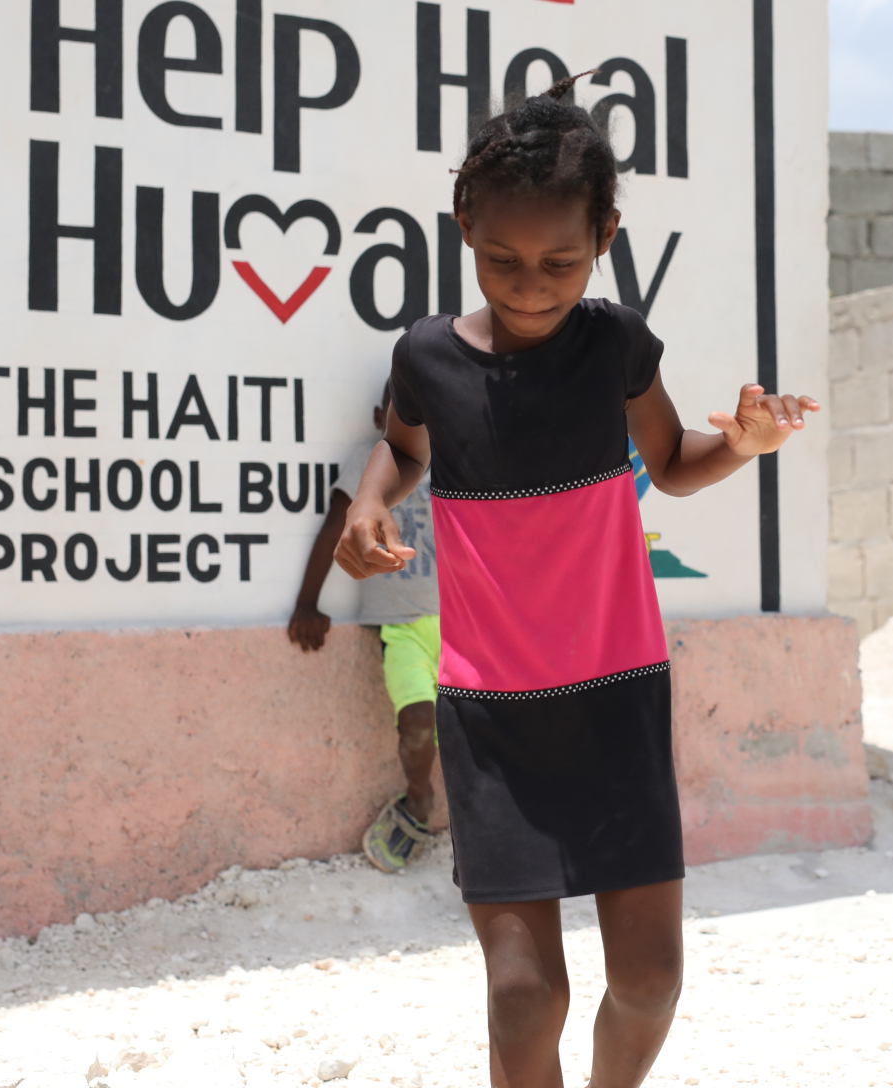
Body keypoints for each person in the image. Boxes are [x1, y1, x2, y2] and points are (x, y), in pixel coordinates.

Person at [333, 75, 818, 1088]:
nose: (529, 285)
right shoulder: (427, 355)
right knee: (523, 994)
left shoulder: (614, 344)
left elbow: (671, 462)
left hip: (615, 695)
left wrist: (744, 442)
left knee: (649, 981)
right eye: (501, 259)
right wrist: (370, 503)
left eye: (560, 261)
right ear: (465, 228)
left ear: (604, 237)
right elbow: (404, 448)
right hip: (489, 709)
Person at [288, 388, 441, 874]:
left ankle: (489, 825)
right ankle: (419, 800)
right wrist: (307, 602)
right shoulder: (369, 463)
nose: (414, 425)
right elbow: (337, 526)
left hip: (466, 627)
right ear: (380, 418)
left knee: (482, 732)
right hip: (402, 629)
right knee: (417, 723)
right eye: (400, 414)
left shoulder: (460, 465)